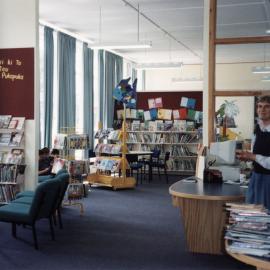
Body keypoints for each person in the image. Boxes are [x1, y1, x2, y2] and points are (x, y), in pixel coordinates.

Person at [236, 95, 270, 210]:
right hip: (256, 177)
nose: (262, 110)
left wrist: (253, 156)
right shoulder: (257, 128)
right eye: (260, 106)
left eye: (267, 107)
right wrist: (248, 157)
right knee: (252, 214)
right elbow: (255, 152)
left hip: (268, 180)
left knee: (266, 216)